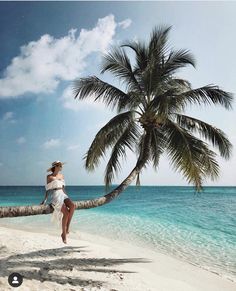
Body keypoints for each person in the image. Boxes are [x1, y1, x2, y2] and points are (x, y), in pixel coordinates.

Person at [40, 161, 76, 244]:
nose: (61, 167)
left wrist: (67, 197)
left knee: (72, 206)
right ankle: (64, 234)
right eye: (59, 165)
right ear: (55, 166)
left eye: (61, 165)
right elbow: (47, 189)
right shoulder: (49, 176)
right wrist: (45, 199)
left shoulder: (61, 176)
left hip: (62, 194)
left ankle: (67, 227)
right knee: (66, 213)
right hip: (56, 195)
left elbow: (63, 188)